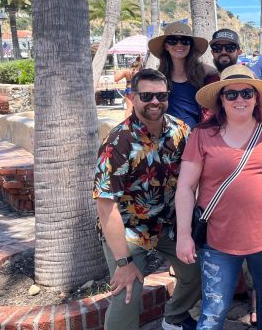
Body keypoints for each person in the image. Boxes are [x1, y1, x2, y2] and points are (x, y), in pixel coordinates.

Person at [175, 64, 262, 330]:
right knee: (213, 311)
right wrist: (183, 236)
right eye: (231, 94)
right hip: (218, 241)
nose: (239, 100)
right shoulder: (202, 135)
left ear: (256, 98)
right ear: (221, 100)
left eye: (246, 93)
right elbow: (185, 187)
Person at [93, 68, 201, 330]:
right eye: (147, 95)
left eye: (161, 95)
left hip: (166, 223)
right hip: (128, 229)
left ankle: (174, 317)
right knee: (127, 291)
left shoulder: (181, 131)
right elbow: (106, 207)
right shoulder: (118, 142)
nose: (155, 102)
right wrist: (123, 262)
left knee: (196, 274)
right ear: (132, 97)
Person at [148, 21, 216, 128]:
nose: (179, 44)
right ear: (166, 46)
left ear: (190, 45)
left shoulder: (203, 70)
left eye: (185, 41)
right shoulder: (159, 76)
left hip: (196, 135)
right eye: (173, 41)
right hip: (169, 136)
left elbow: (223, 77)